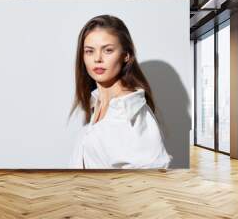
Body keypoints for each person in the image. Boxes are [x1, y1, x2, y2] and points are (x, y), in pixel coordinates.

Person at [69, 15, 172, 169]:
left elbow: (152, 177)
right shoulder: (96, 103)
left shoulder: (131, 111)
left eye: (108, 50)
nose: (98, 58)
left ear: (126, 55)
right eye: (89, 51)